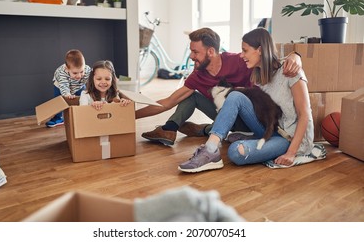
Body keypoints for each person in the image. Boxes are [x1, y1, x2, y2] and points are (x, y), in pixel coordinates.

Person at [178, 27, 326, 173]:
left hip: (287, 138)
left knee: (236, 152)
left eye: (245, 50)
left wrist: (291, 153)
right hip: (269, 128)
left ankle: (250, 140)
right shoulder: (258, 77)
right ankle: (211, 149)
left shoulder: (290, 71)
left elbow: (305, 114)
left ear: (260, 50)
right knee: (235, 95)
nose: (242, 55)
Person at [137, 27, 302, 146]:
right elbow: (168, 101)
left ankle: (206, 130)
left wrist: (296, 56)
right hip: (226, 118)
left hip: (252, 120)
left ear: (210, 51)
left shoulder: (240, 60)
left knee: (234, 97)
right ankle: (169, 129)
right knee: (191, 96)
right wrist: (130, 116)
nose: (191, 56)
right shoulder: (198, 76)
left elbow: (270, 60)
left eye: (195, 52)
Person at [46, 49, 91, 128]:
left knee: (83, 98)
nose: (79, 75)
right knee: (59, 100)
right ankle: (58, 117)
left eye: (81, 71)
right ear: (67, 68)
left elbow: (93, 80)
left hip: (78, 85)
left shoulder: (87, 70)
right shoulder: (62, 73)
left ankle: (81, 114)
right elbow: (64, 86)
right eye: (75, 73)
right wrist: (67, 94)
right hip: (60, 85)